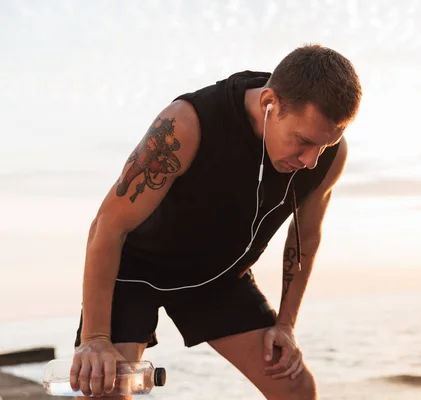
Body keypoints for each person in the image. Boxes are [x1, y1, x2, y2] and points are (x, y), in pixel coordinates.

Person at [68, 43, 362, 400]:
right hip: (135, 272)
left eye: (325, 144)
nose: (312, 160)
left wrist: (285, 325)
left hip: (219, 276)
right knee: (107, 389)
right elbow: (108, 227)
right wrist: (95, 339)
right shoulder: (187, 124)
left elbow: (306, 240)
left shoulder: (328, 158)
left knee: (297, 388)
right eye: (302, 142)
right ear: (270, 103)